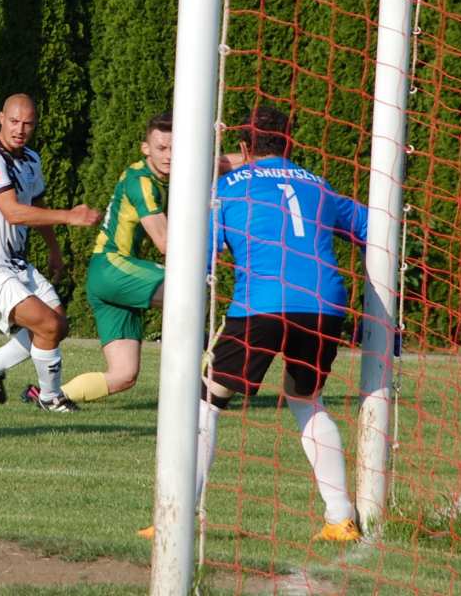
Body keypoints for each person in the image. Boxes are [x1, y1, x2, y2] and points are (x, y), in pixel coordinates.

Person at [180, 105, 369, 543]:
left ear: (244, 148)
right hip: (324, 305)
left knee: (208, 399)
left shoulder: (226, 188)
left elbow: (204, 254)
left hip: (261, 305)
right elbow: (368, 223)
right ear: (290, 142)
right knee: (306, 400)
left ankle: (180, 514)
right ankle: (341, 518)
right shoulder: (318, 185)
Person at [0, 93, 101, 413]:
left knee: (58, 325)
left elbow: (36, 206)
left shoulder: (31, 160)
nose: (20, 129)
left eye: (27, 123)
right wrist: (70, 216)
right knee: (47, 325)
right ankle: (50, 398)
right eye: (14, 121)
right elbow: (13, 213)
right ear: (1, 119)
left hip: (13, 264)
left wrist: (54, 249)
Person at [36, 112, 171, 406]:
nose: (169, 156)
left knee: (124, 375)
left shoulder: (150, 176)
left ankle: (50, 397)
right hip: (114, 268)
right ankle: (205, 380)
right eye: (162, 148)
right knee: (188, 292)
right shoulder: (143, 182)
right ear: (145, 148)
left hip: (108, 276)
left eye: (175, 149)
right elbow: (165, 243)